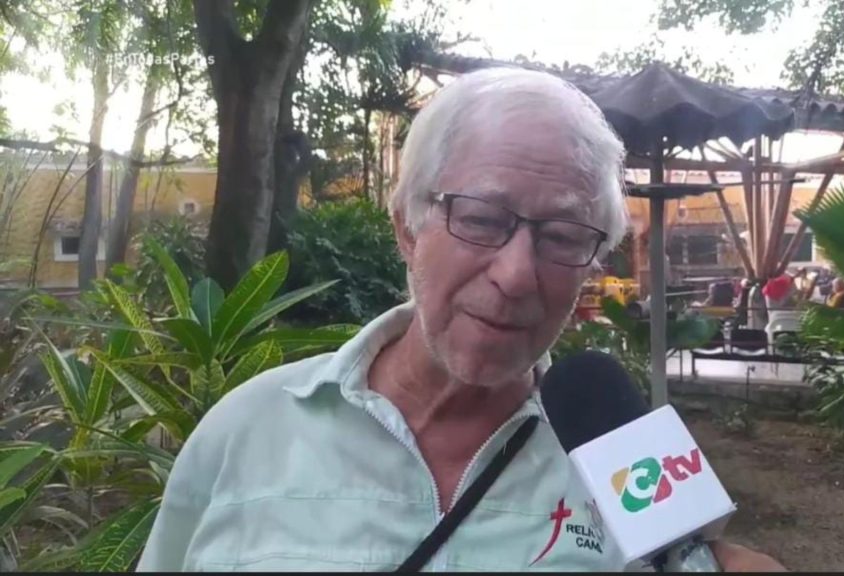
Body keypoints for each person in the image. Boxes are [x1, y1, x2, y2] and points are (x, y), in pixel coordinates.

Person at [137, 67, 785, 572]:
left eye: (563, 235)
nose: (516, 274)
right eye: (480, 218)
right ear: (407, 227)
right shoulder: (247, 433)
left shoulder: (626, 456)